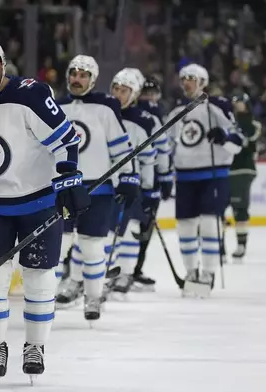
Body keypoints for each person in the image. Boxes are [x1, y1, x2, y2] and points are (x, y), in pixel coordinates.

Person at [0, 35, 90, 386]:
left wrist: (68, 180)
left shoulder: (30, 93)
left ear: (2, 62)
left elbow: (67, 140)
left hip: (37, 204)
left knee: (39, 279)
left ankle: (35, 346)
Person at [54, 55, 139, 321]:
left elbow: (121, 151)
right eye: (74, 74)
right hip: (64, 189)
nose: (77, 79)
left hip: (98, 190)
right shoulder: (55, 108)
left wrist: (128, 178)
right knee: (57, 247)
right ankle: (45, 299)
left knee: (92, 248)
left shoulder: (105, 110)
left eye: (83, 75)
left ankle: (92, 297)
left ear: (92, 79)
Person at [165, 63, 242, 297]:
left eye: (192, 78)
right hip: (185, 176)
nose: (186, 82)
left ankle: (208, 272)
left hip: (213, 174)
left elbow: (238, 142)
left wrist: (223, 137)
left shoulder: (218, 106)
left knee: (210, 224)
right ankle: (191, 272)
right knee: (185, 226)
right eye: (184, 78)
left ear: (202, 82)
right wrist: (164, 174)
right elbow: (166, 145)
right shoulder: (176, 111)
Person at [105, 68, 159, 296]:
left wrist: (149, 188)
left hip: (130, 183)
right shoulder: (103, 113)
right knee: (106, 232)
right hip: (105, 182)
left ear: (134, 94)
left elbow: (147, 159)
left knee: (130, 231)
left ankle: (126, 274)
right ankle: (108, 274)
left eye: (124, 90)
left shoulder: (142, 121)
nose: (118, 94)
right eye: (115, 89)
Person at [133, 76, 173, 290]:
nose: (149, 99)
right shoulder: (153, 115)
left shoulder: (126, 111)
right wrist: (166, 177)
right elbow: (163, 148)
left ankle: (130, 269)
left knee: (138, 227)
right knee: (140, 227)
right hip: (147, 180)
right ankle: (131, 270)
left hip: (138, 178)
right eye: (145, 94)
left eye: (152, 94)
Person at [228, 93, 261, 262]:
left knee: (240, 209)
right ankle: (218, 246)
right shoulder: (227, 121)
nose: (237, 105)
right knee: (217, 209)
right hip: (225, 169)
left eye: (241, 102)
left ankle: (241, 246)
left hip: (243, 169)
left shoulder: (253, 124)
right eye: (236, 103)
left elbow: (248, 135)